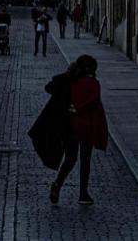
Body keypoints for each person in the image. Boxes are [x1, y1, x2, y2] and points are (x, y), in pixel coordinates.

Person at [49, 54, 108, 206]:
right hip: (86, 126)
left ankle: (58, 183)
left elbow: (50, 87)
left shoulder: (71, 82)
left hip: (70, 126)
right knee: (85, 160)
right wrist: (79, 109)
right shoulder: (93, 83)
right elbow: (94, 100)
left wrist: (67, 75)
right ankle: (83, 193)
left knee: (70, 158)